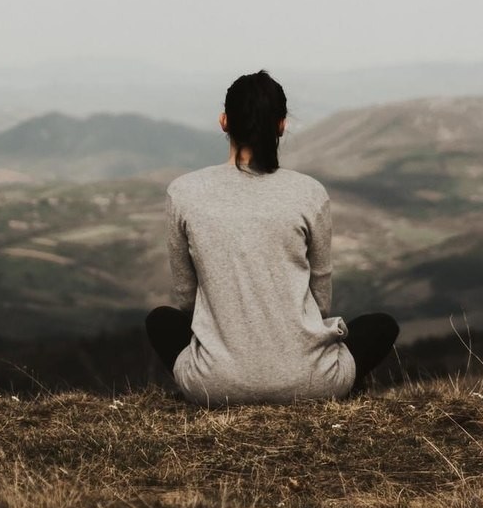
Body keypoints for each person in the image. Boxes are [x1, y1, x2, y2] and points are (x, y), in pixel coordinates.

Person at [145, 69, 399, 405]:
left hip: (215, 385)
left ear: (224, 121)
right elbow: (321, 300)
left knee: (161, 321)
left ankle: (222, 378)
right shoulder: (309, 192)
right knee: (381, 325)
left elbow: (186, 299)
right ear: (282, 125)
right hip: (313, 382)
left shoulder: (183, 192)